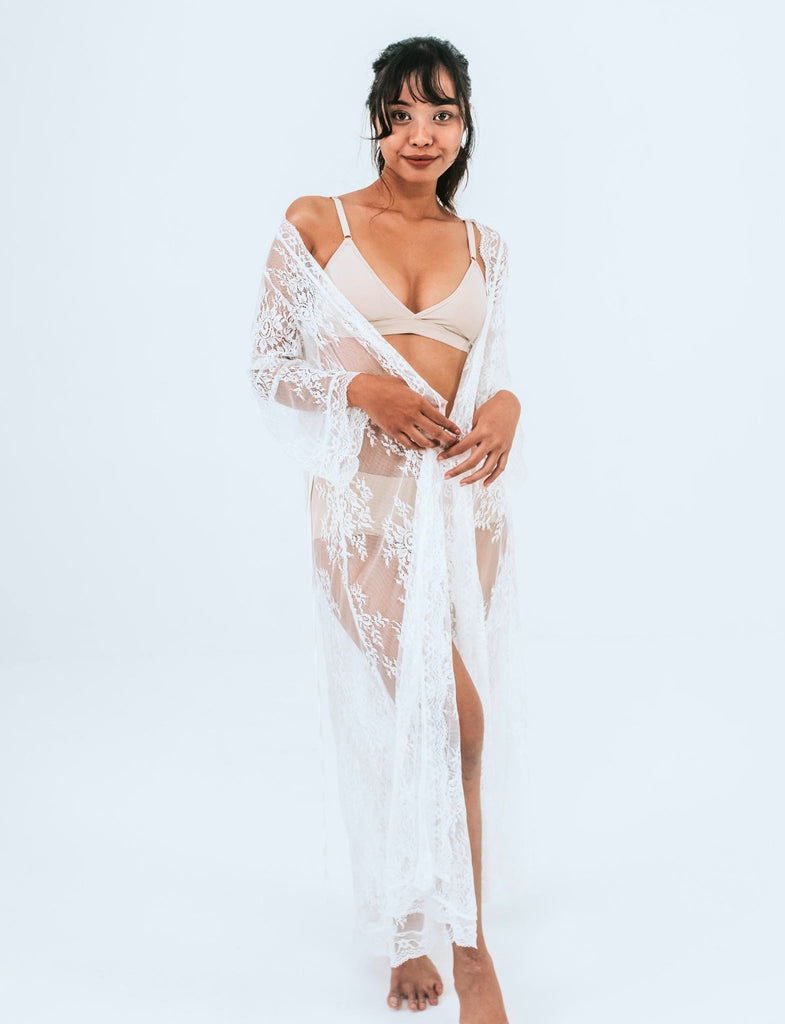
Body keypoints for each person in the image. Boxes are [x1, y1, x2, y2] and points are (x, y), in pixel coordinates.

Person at [249, 35, 526, 1021]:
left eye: (442, 114)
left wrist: (508, 411)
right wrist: (361, 389)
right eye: (403, 113)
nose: (422, 133)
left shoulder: (486, 245)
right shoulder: (316, 222)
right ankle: (470, 953)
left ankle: (412, 924)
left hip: (459, 507)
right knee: (450, 719)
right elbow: (268, 365)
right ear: (375, 121)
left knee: (430, 722)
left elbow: (491, 376)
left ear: (464, 126)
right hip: (364, 508)